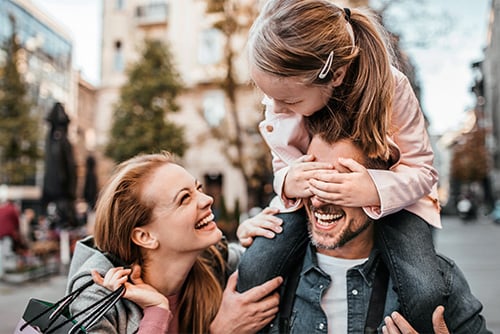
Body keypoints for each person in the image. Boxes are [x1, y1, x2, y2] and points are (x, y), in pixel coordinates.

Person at [238, 1, 444, 331]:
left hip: (398, 201)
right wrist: (288, 181)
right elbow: (282, 162)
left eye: (288, 101)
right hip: (308, 201)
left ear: (335, 75)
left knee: (425, 291)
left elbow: (422, 169)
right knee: (255, 267)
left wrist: (373, 188)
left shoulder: (392, 88)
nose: (275, 108)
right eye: (269, 97)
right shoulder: (281, 93)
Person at [251, 127, 491, 333]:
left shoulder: (438, 281)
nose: (319, 200)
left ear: (379, 191)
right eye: (313, 179)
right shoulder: (265, 271)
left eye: (338, 184)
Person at [66, 152, 282, 333]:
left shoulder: (214, 259)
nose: (207, 200)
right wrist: (157, 310)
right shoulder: (98, 295)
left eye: (198, 189)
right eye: (184, 198)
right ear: (145, 237)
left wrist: (253, 237)